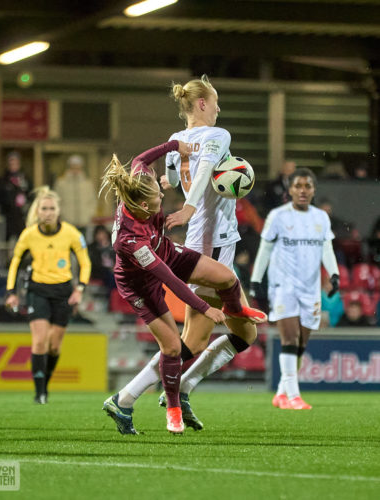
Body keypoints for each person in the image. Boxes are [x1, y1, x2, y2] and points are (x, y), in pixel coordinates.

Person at [111, 75, 267, 432]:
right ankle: (127, 397)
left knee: (245, 335)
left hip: (212, 239)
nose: (218, 109)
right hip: (209, 241)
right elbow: (201, 178)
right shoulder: (218, 135)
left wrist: (177, 192)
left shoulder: (175, 141)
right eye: (215, 102)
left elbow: (171, 181)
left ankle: (182, 389)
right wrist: (193, 207)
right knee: (191, 341)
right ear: (201, 104)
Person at [251, 168, 341, 410]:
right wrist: (256, 278)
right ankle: (294, 396)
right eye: (298, 185)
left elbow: (326, 249)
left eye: (308, 186)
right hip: (283, 286)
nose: (303, 190)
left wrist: (334, 275)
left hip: (310, 289)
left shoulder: (321, 217)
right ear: (290, 189)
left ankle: (281, 393)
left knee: (301, 342)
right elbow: (266, 249)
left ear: (313, 190)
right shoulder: (278, 216)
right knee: (289, 338)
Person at [4, 186, 91, 404]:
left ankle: (45, 383)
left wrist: (80, 289)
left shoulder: (71, 233)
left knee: (54, 346)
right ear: (38, 211)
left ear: (58, 210)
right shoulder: (29, 235)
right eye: (44, 208)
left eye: (52, 208)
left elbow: (85, 263)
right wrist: (12, 293)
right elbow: (15, 263)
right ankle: (39, 393)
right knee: (40, 341)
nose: (48, 212)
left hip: (62, 291)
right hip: (37, 290)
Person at [0, 151, 30, 240]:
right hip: (6, 218)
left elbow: (31, 194)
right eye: (11, 162)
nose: (13, 165)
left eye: (16, 162)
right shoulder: (2, 180)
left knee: (22, 241)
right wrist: (4, 203)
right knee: (5, 243)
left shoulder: (25, 179)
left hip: (21, 218)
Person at [53, 154, 97, 232]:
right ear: (69, 167)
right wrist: (62, 214)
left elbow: (93, 201)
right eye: (73, 166)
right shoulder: (61, 183)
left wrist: (89, 214)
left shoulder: (87, 183)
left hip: (84, 222)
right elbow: (56, 201)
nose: (75, 169)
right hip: (67, 222)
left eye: (77, 167)